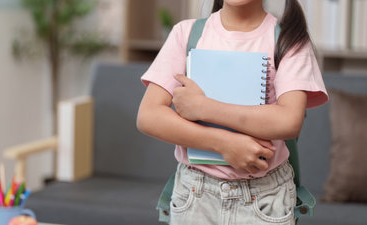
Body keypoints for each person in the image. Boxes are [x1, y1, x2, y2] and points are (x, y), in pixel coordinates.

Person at [136, 0, 328, 224]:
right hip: (195, 195)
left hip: (265, 197)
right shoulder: (186, 34)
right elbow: (149, 116)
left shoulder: (290, 39)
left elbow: (289, 120)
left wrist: (204, 107)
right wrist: (223, 143)